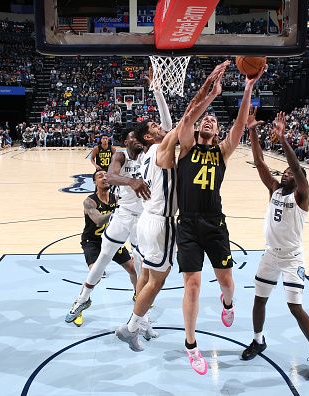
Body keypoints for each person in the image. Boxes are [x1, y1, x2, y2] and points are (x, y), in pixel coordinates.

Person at [115, 61, 230, 355]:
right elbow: (189, 114)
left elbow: (176, 123)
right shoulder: (163, 146)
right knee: (157, 280)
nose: (159, 125)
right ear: (149, 137)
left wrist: (157, 89)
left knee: (144, 275)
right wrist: (210, 89)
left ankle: (137, 323)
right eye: (154, 127)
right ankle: (130, 328)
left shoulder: (152, 150)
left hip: (146, 221)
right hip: (161, 222)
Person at [176, 64, 265, 375]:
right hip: (187, 223)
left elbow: (240, 125)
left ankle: (227, 304)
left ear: (216, 133)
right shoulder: (185, 147)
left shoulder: (222, 152)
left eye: (214, 121)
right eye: (206, 119)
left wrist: (247, 88)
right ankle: (191, 345)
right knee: (193, 286)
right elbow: (188, 118)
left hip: (214, 223)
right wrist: (211, 92)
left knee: (227, 282)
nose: (208, 121)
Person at [243, 111, 309, 380]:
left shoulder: (303, 196)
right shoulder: (275, 189)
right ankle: (258, 339)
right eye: (285, 171)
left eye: (292, 172)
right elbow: (259, 161)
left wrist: (282, 139)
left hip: (292, 258)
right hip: (269, 255)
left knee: (294, 307)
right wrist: (253, 131)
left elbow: (297, 168)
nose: (287, 173)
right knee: (259, 300)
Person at [65, 130, 150, 325]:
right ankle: (82, 300)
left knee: (136, 267)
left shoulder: (148, 155)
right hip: (96, 237)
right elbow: (111, 177)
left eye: (139, 136)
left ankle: (141, 309)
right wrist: (130, 184)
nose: (135, 138)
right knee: (99, 264)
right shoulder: (91, 199)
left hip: (137, 219)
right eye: (131, 136)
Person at [75, 170, 138, 326]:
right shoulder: (90, 201)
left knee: (132, 268)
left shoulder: (116, 199)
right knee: (94, 274)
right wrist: (117, 212)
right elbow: (98, 220)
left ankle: (138, 295)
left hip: (112, 240)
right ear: (95, 182)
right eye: (99, 176)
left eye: (105, 175)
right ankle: (79, 306)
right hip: (93, 242)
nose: (104, 178)